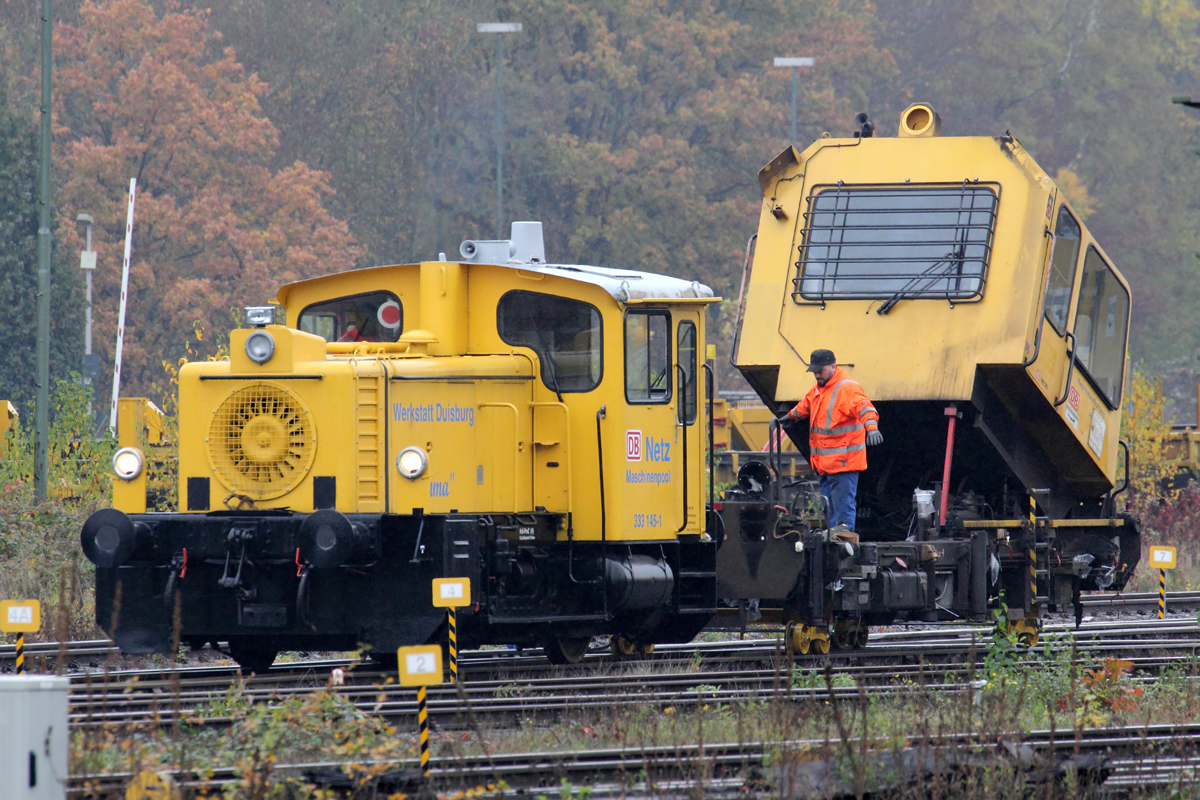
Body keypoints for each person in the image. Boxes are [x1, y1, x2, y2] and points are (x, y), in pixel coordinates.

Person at [780, 349, 882, 531]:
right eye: (815, 372)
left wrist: (872, 429)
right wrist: (790, 417)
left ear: (834, 366)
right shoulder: (821, 387)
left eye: (820, 371)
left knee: (842, 512)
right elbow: (807, 404)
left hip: (843, 463)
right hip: (825, 465)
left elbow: (865, 407)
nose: (817, 375)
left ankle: (843, 547)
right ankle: (834, 545)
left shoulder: (847, 388)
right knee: (830, 510)